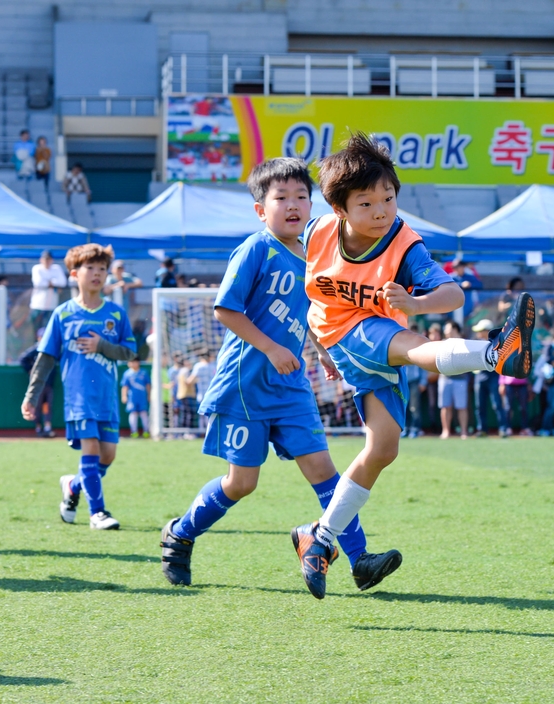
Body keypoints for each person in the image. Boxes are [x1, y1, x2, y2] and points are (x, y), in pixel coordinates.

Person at [291, 133, 534, 599]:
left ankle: (317, 537)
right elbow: (305, 277)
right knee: (409, 345)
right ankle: (494, 353)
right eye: (367, 203)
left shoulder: (403, 242)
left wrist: (417, 301)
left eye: (389, 197)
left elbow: (454, 294)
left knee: (384, 447)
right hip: (344, 333)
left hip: (378, 336)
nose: (382, 210)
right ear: (340, 210)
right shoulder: (317, 231)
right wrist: (313, 341)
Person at [160, 157, 401, 588]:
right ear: (260, 209)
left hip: (291, 388)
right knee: (241, 484)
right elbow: (225, 309)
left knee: (324, 471)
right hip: (244, 386)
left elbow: (311, 313)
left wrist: (324, 351)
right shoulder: (256, 248)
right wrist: (271, 348)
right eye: (281, 197)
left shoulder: (315, 256)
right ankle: (179, 535)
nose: (293, 205)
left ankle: (359, 561)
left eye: (301, 197)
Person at [21, 244, 137, 531]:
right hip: (79, 397)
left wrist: (103, 346)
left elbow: (130, 352)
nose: (97, 274)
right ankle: (97, 513)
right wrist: (31, 396)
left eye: (102, 269)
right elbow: (46, 358)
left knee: (107, 455)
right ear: (74, 274)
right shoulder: (62, 314)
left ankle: (72, 485)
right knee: (92, 449)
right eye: (91, 268)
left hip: (107, 398)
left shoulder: (116, 314)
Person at [470, 319, 508, 437]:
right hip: (480, 377)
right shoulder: (476, 344)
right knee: (479, 405)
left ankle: (503, 429)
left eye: (481, 331)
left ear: (487, 331)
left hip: (493, 377)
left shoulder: (497, 344)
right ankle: (482, 429)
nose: (478, 333)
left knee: (497, 404)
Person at [19, 328, 56, 437]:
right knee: (36, 406)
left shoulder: (52, 349)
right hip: (38, 385)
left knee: (47, 406)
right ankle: (38, 428)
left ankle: (48, 428)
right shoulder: (35, 349)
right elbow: (23, 359)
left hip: (49, 383)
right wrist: (30, 370)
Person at [437, 321, 471, 439]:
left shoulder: (464, 343)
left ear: (454, 329)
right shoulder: (442, 343)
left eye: (447, 328)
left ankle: (464, 432)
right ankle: (445, 431)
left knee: (462, 407)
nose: (445, 330)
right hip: (444, 379)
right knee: (445, 406)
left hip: (460, 380)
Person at [30, 250, 68, 332]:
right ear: (41, 260)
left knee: (49, 329)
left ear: (52, 260)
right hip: (37, 305)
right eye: (45, 259)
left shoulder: (56, 268)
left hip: (52, 306)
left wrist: (50, 282)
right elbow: (38, 282)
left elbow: (63, 282)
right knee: (36, 329)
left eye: (48, 259)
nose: (46, 261)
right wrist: (53, 282)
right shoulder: (37, 268)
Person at [121, 358, 150, 438]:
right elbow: (125, 386)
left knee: (143, 413)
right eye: (131, 362)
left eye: (135, 362)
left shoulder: (143, 373)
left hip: (142, 397)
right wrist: (124, 396)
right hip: (132, 398)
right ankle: (134, 432)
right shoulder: (127, 374)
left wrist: (149, 395)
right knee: (133, 413)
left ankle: (146, 431)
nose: (133, 364)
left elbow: (148, 385)